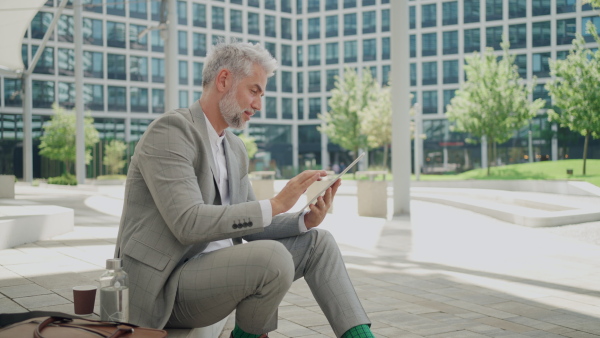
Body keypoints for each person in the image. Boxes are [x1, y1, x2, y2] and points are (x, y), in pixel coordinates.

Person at [113, 41, 374, 338]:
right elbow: (187, 223)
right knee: (271, 258)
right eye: (254, 90)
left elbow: (251, 225)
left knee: (319, 242)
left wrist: (304, 219)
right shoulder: (172, 131)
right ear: (224, 80)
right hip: (167, 286)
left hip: (215, 274)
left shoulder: (234, 148)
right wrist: (276, 203)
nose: (259, 104)